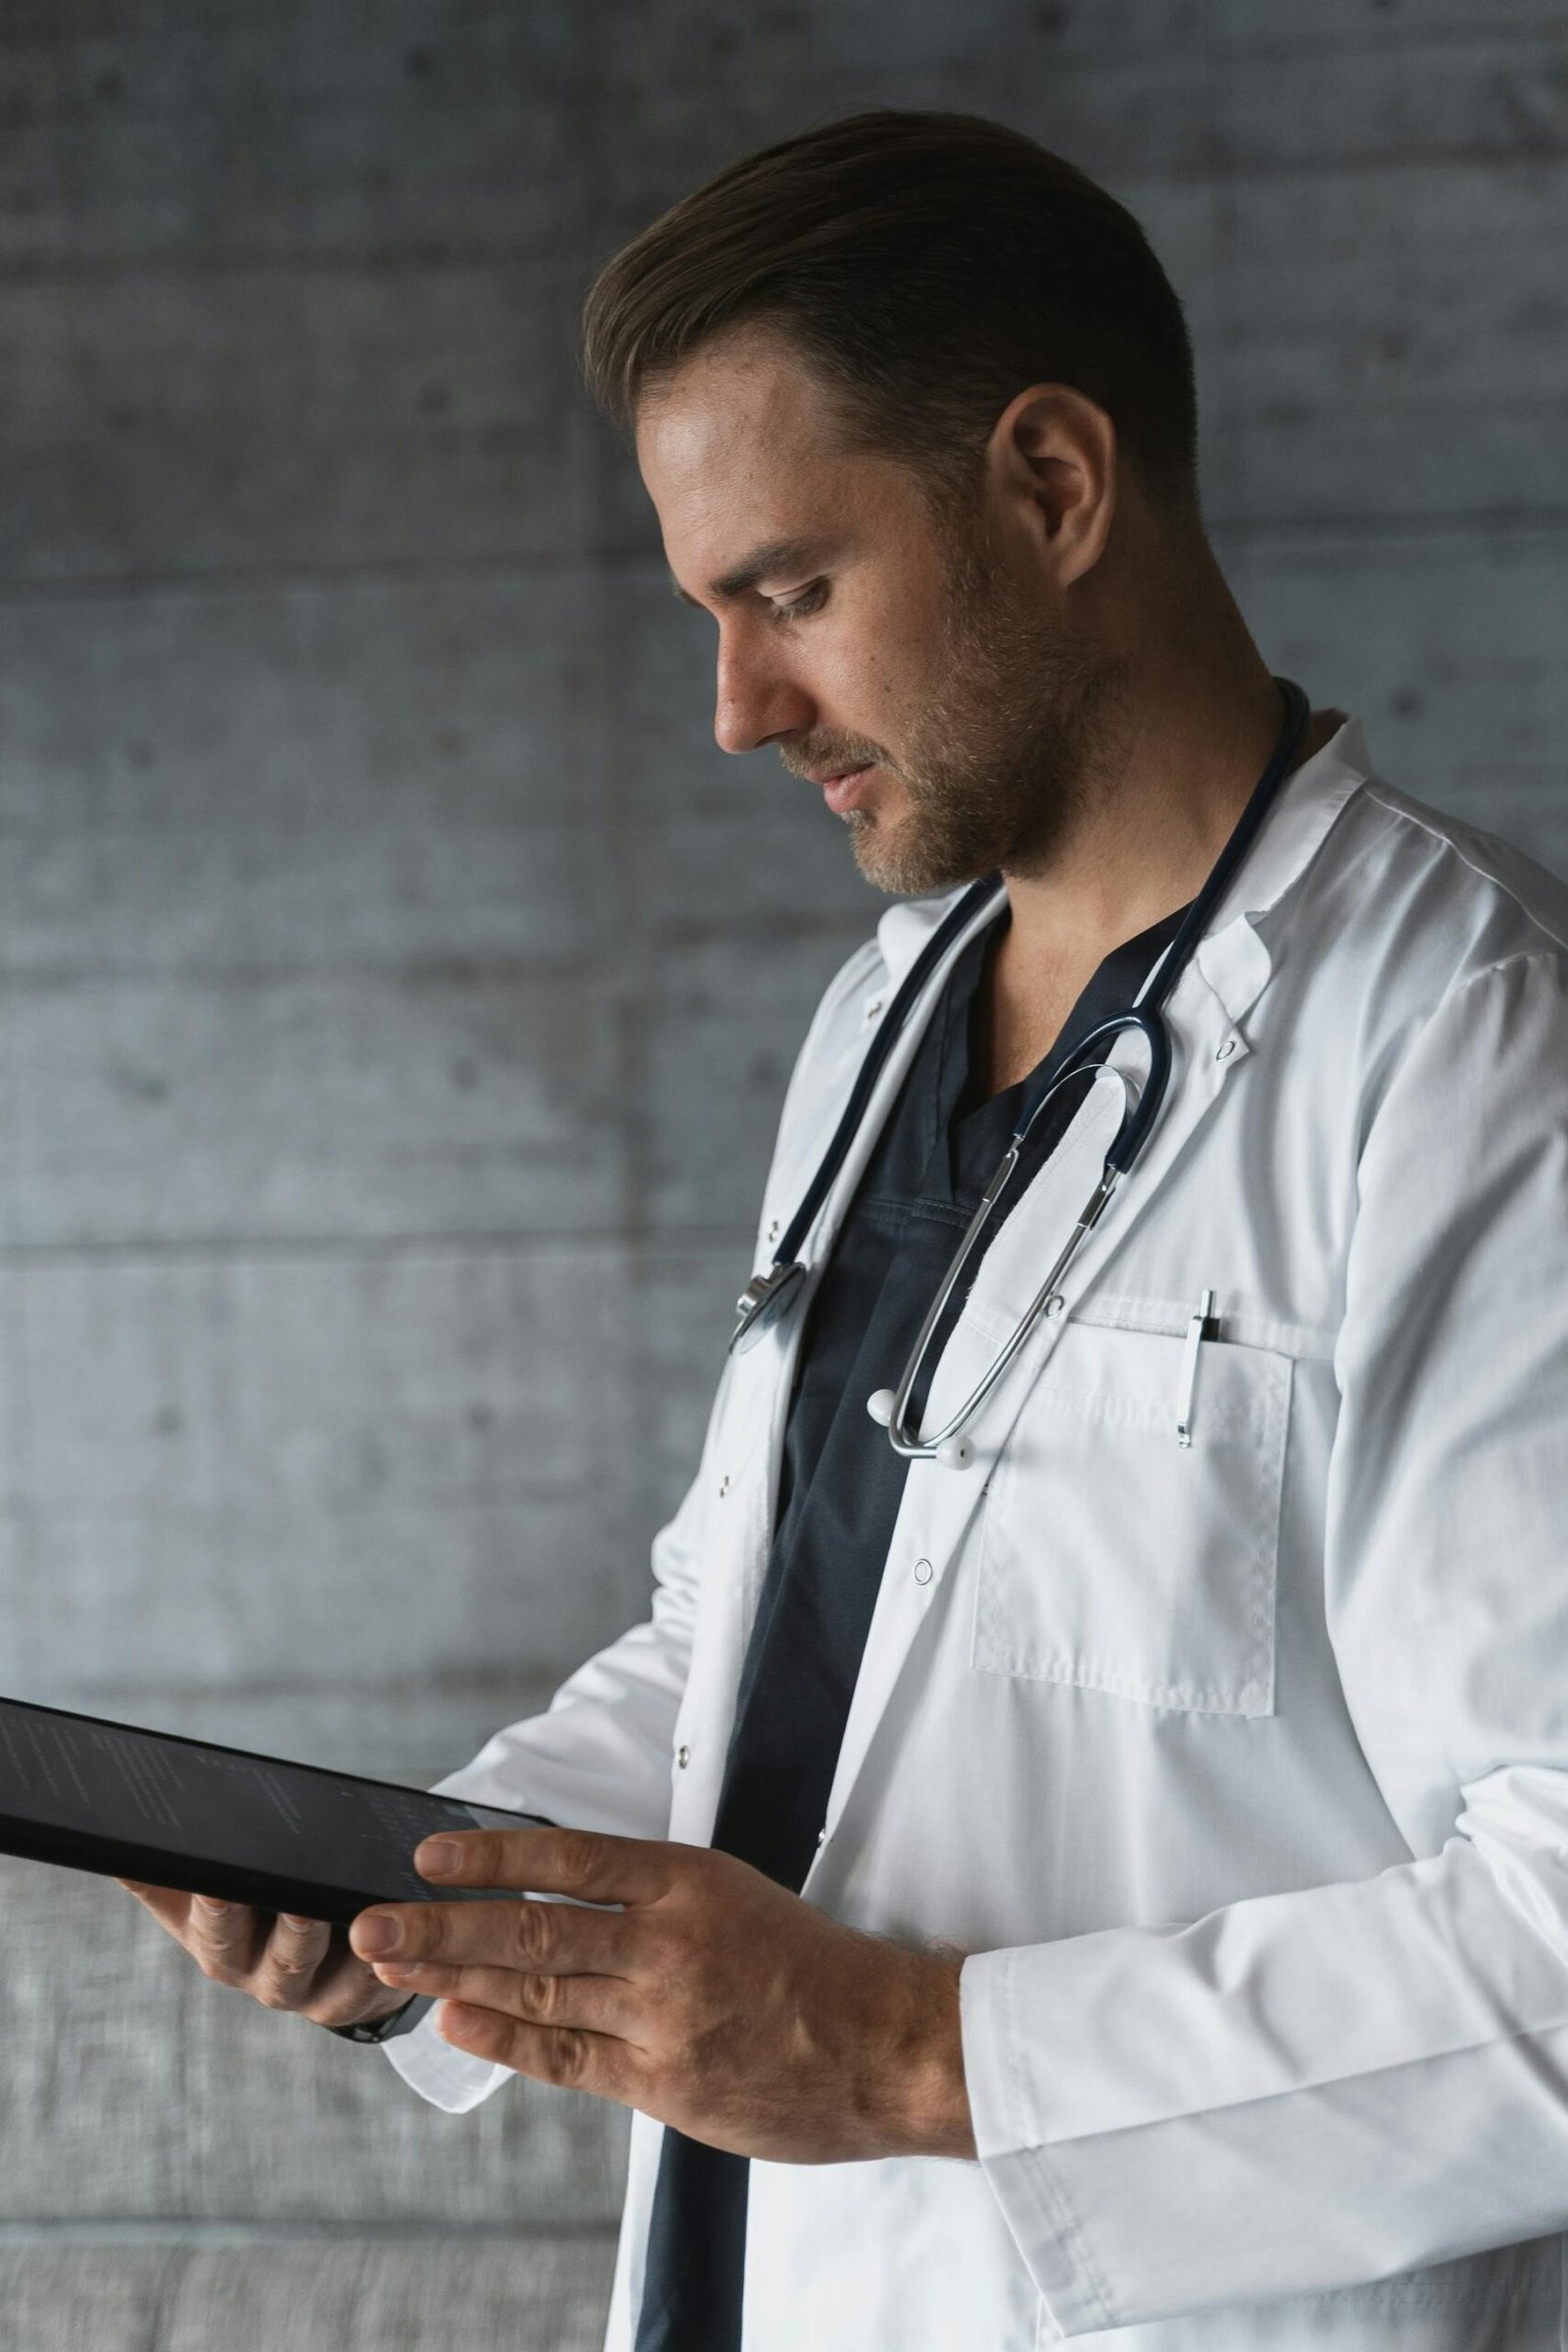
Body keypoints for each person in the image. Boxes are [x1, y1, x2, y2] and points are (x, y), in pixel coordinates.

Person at [123, 110, 1568, 2351]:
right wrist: (429, 1891)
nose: (734, 713)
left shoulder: (1463, 1047)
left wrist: (907, 2057)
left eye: (790, 592)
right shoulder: (885, 1014)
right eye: (710, 614)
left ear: (1053, 486)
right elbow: (762, 1631)